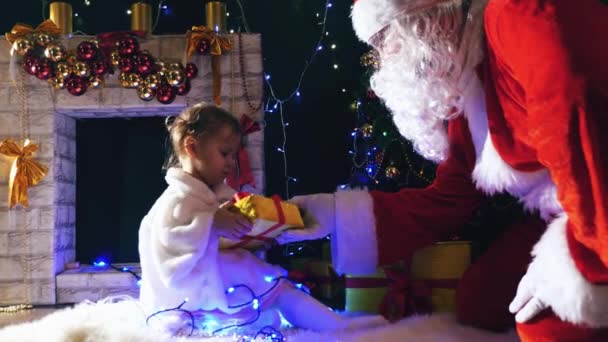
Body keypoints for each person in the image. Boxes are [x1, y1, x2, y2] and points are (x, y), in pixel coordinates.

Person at [277, 0, 608, 340]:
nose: (381, 61)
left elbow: (578, 124)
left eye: (382, 39)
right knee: (481, 301)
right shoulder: (472, 76)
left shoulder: (518, 15)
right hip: (567, 210)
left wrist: (582, 259)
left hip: (597, 209)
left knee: (543, 326)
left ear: (421, 21)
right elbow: (449, 198)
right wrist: (330, 216)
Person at [138, 102, 385, 334]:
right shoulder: (177, 200)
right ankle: (336, 325)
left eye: (234, 155)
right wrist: (211, 223)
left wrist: (258, 235)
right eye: (225, 153)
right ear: (192, 148)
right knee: (273, 285)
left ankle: (337, 324)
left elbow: (223, 240)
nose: (231, 163)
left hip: (214, 282)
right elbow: (169, 246)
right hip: (191, 294)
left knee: (275, 286)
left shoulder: (213, 196)